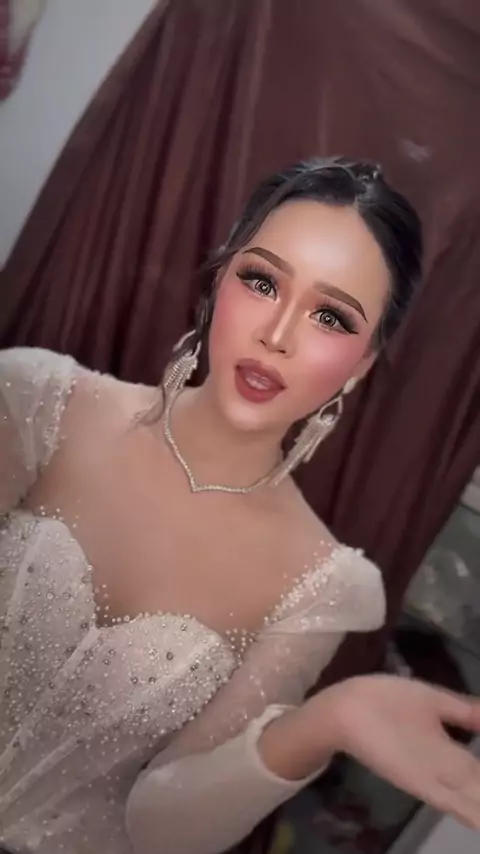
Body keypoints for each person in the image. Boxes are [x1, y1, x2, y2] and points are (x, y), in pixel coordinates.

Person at [0, 157, 479, 854]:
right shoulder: (36, 404)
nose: (277, 334)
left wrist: (328, 721)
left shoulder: (324, 586)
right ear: (219, 279)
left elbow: (165, 831)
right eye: (262, 281)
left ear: (363, 365)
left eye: (330, 316)